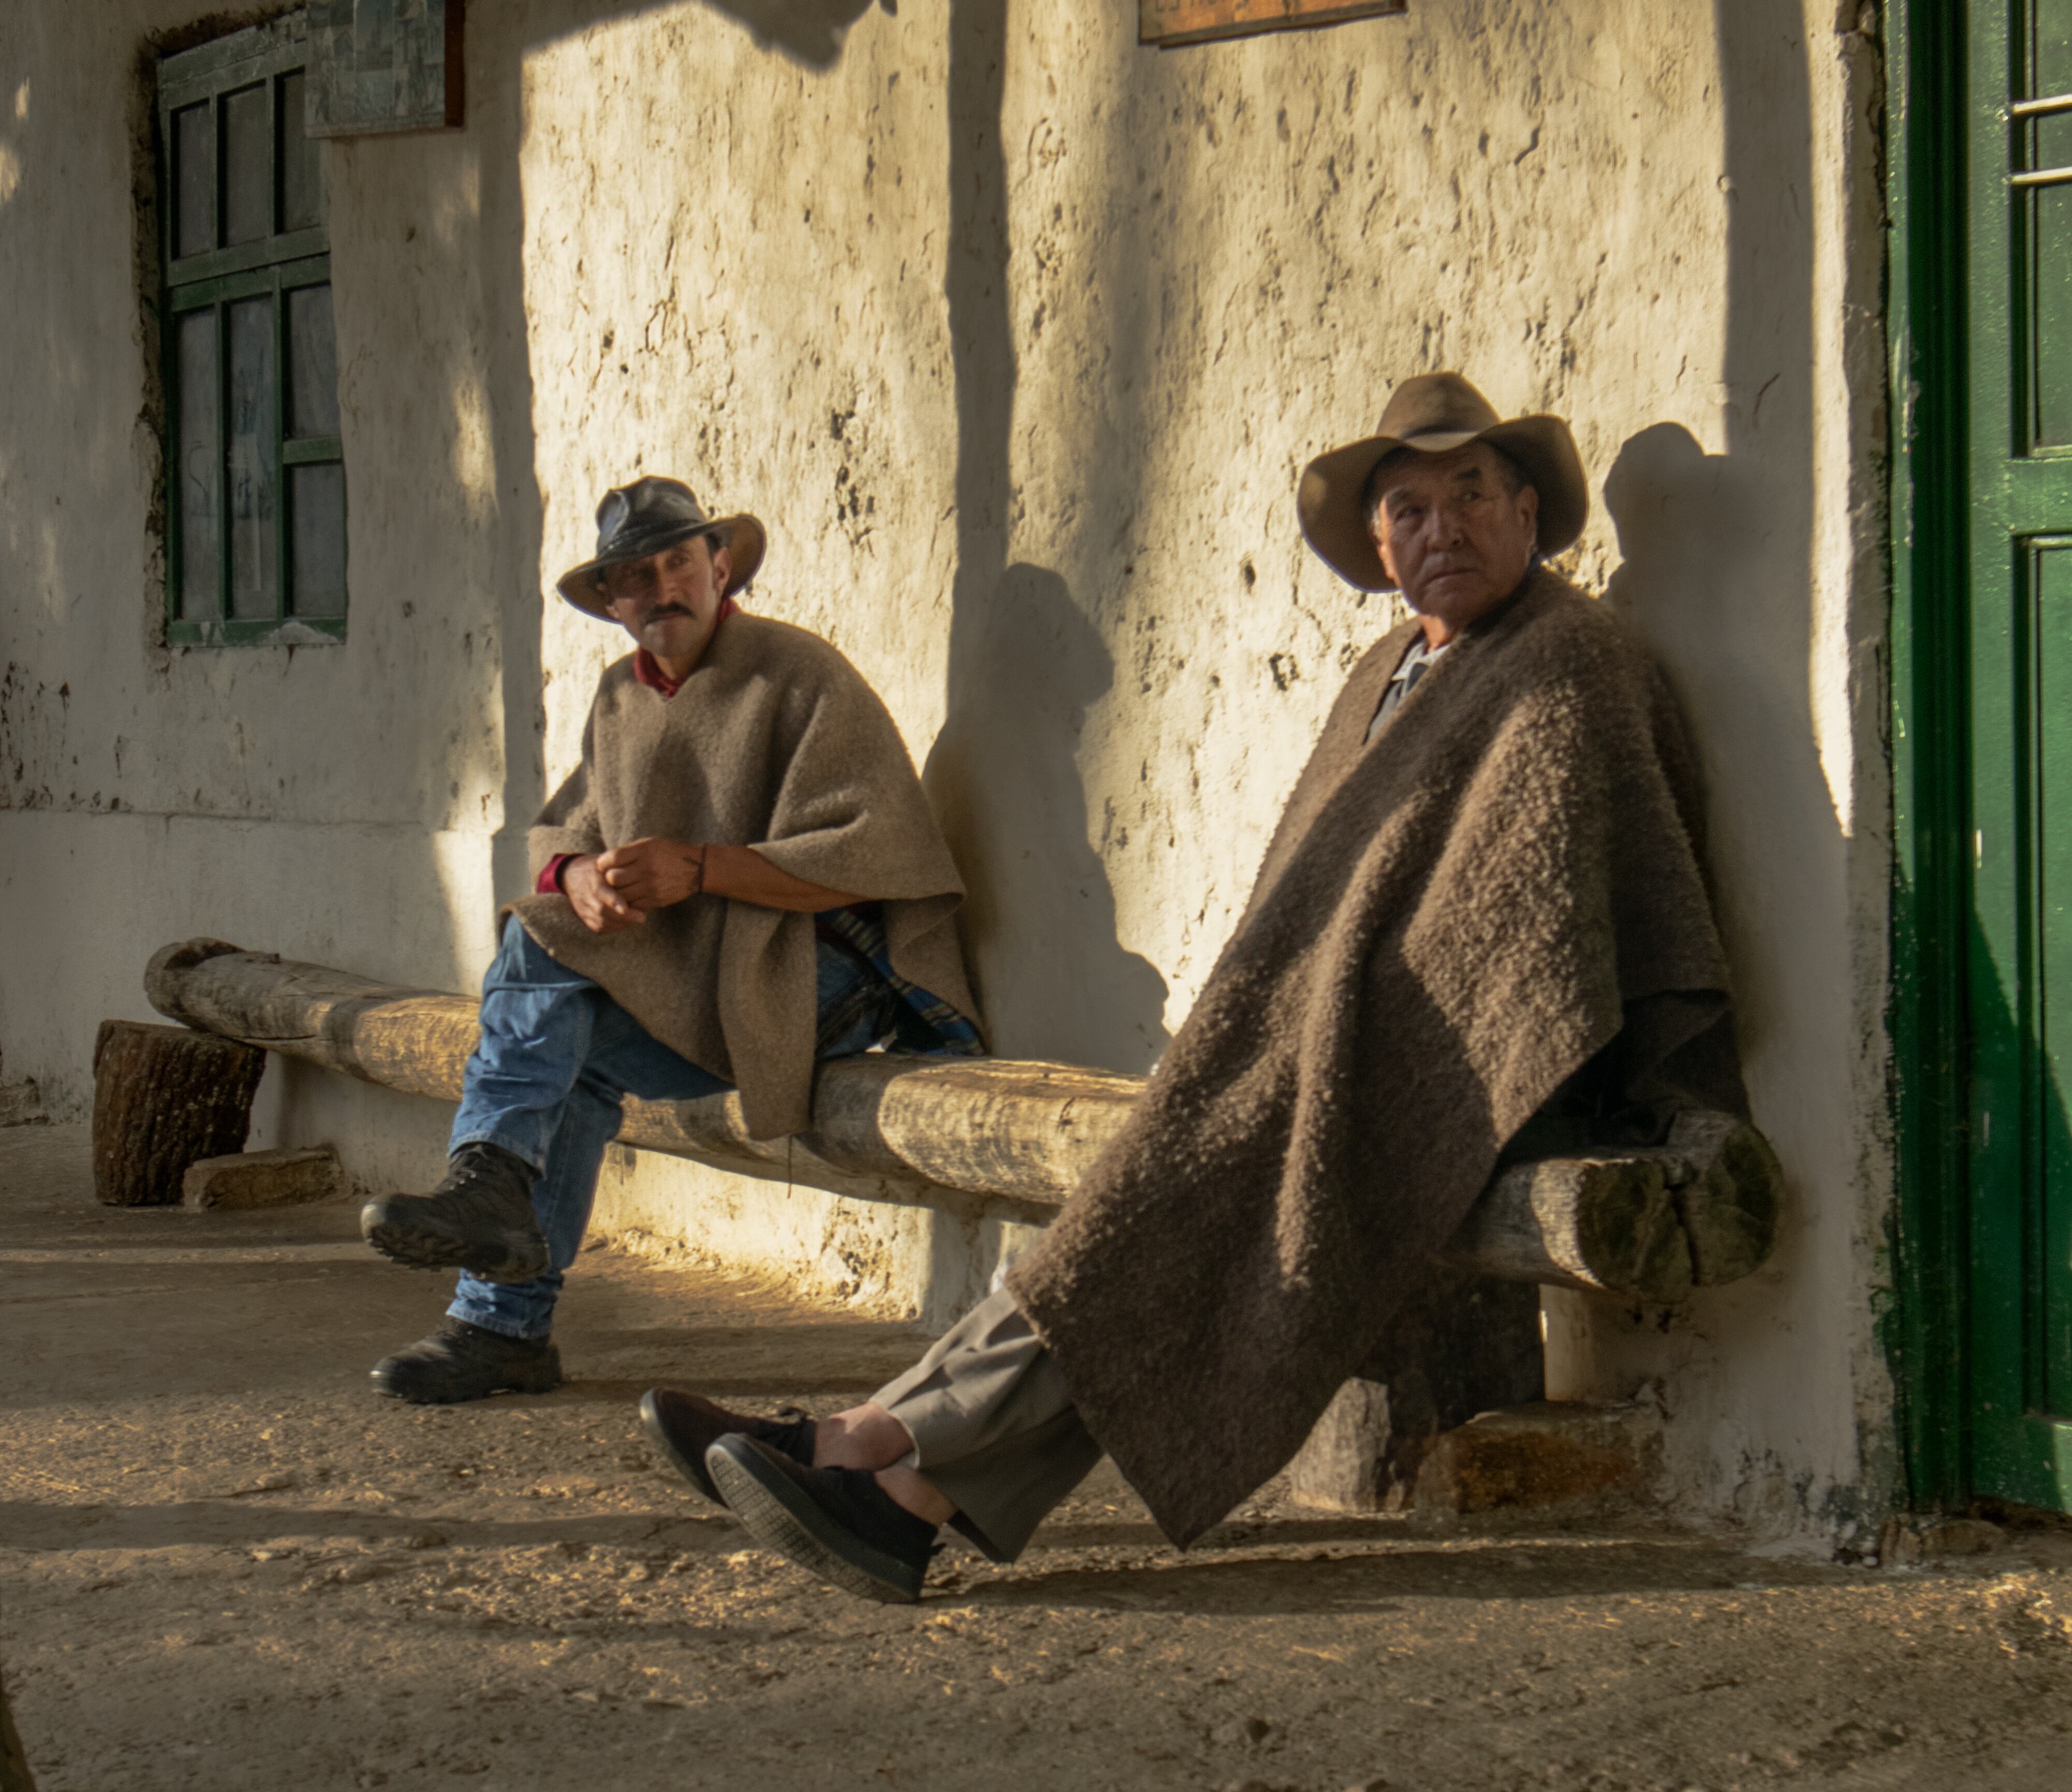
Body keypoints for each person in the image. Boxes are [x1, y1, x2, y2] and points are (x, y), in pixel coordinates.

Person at [666, 373, 1748, 1601]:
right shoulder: (1390, 666)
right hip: (1347, 1051)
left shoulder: (1566, 662)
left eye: (1469, 495)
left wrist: (1330, 1032)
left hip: (1489, 1070)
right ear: (1379, 544)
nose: (1440, 528)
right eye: (1408, 507)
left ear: (1526, 513)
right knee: (1172, 1186)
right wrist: (1283, 1023)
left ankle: (879, 1449)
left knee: (1176, 1186)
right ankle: (901, 1478)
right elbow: (1321, 895)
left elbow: (1545, 924)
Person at [363, 475, 981, 1403]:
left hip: (822, 981)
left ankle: (489, 1189)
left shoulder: (798, 673)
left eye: (678, 563)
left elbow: (883, 856)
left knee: (539, 960)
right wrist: (576, 876)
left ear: (720, 567)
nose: (661, 589)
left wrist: (699, 871)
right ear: (611, 604)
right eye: (634, 578)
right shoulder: (621, 696)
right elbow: (565, 829)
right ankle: (501, 1326)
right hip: (702, 983)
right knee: (556, 1032)